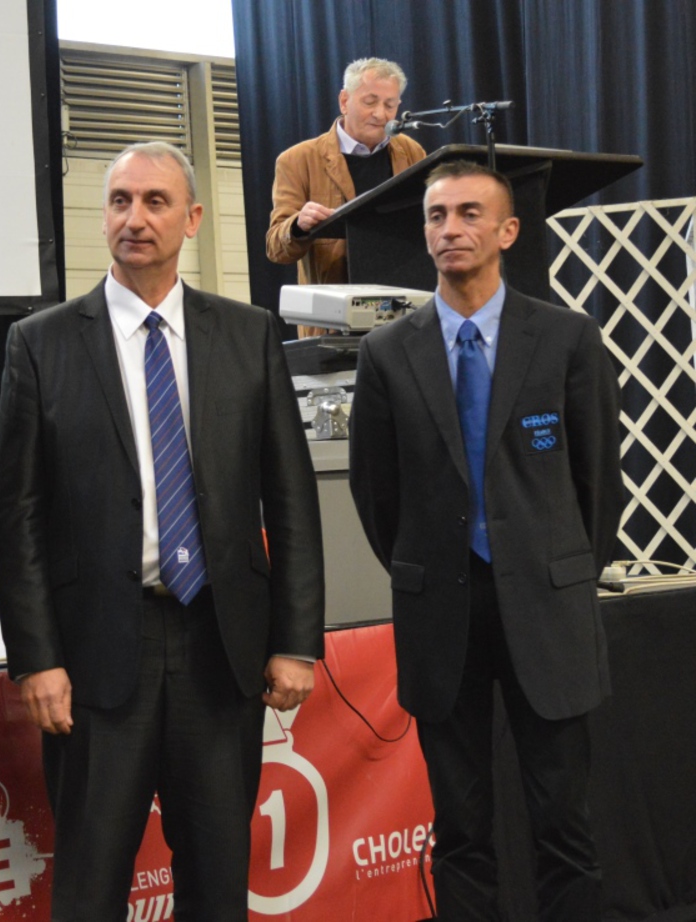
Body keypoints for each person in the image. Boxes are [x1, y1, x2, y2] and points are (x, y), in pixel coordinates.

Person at [0, 141, 325, 921]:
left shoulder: (247, 334)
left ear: (193, 219)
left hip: (221, 648)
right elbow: (17, 517)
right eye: (120, 201)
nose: (134, 218)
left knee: (217, 883)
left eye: (155, 202)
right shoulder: (40, 342)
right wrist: (37, 658)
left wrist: (295, 641)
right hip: (96, 658)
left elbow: (290, 500)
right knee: (90, 885)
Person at [348, 160, 624, 921]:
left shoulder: (567, 337)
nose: (451, 229)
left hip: (548, 610)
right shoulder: (387, 352)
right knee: (461, 830)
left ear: (508, 231)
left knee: (564, 827)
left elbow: (598, 482)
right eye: (437, 216)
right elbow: (376, 494)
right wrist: (430, 567)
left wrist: (559, 568)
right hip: (442, 614)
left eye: (470, 213)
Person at [266, 57, 426, 335]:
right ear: (344, 101)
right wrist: (298, 225)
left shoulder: (412, 153)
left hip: (402, 314)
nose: (381, 114)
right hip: (334, 323)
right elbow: (275, 248)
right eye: (370, 102)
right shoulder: (298, 159)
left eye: (390, 105)